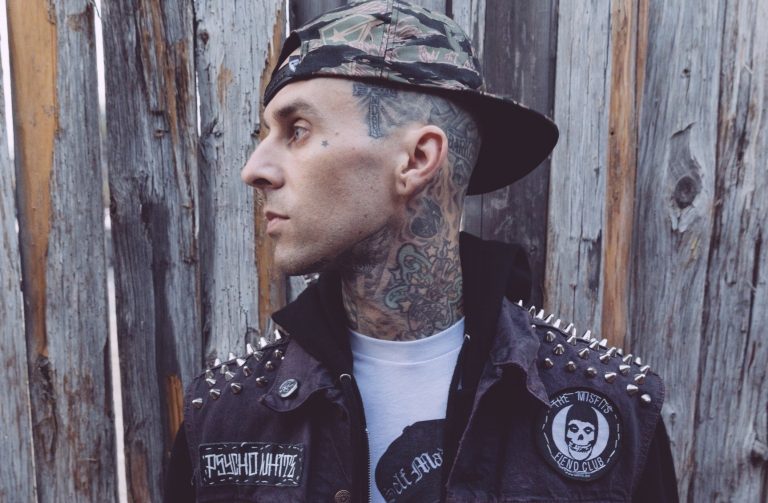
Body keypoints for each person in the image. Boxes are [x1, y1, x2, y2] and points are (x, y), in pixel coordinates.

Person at [166, 1, 678, 501]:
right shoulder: (224, 418)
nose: (254, 169)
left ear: (415, 159)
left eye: (297, 130)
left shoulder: (612, 414)